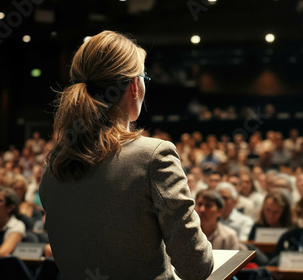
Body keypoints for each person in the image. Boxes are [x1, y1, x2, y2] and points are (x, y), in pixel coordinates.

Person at [39, 31, 213, 280]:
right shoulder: (154, 156)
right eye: (144, 76)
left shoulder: (52, 165)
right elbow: (196, 267)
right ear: (134, 85)